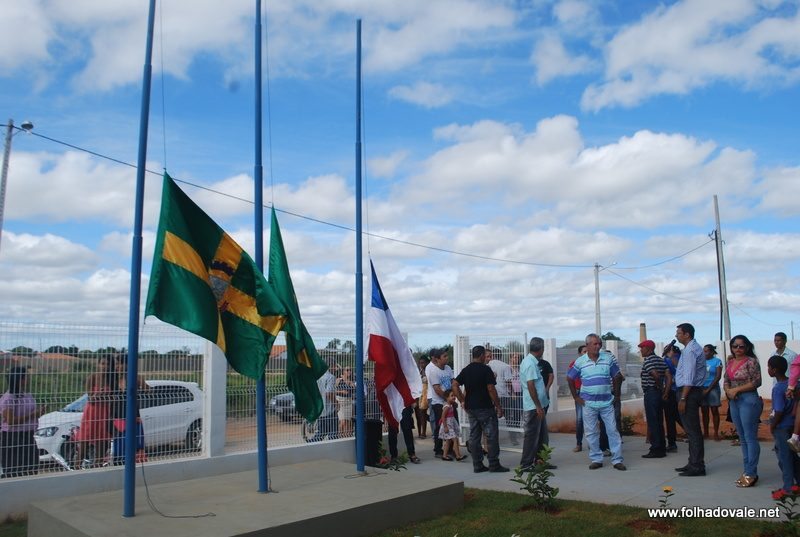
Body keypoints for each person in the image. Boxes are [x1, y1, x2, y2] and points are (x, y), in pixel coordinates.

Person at [567, 333, 626, 471]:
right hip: (588, 404)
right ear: (587, 345)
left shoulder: (607, 358)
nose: (598, 346)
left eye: (599, 343)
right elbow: (570, 378)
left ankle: (617, 460)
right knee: (591, 432)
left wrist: (617, 396)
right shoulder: (580, 361)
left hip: (607, 403)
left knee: (613, 431)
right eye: (595, 344)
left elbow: (617, 376)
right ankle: (596, 459)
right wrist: (576, 397)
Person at [451, 345, 509, 473]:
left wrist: (462, 400)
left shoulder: (466, 370)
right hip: (485, 407)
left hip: (471, 408)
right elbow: (491, 388)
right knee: (491, 436)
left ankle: (477, 464)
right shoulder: (486, 369)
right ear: (482, 355)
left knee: (474, 436)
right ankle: (494, 464)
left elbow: (454, 384)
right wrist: (498, 406)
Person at [723, 334, 763, 487]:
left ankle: (751, 473)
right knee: (742, 438)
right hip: (734, 401)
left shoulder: (752, 361)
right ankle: (747, 470)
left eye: (741, 346)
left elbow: (757, 381)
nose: (738, 349)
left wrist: (736, 390)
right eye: (735, 346)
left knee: (750, 436)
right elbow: (726, 380)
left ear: (747, 347)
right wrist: (728, 390)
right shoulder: (730, 362)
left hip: (748, 399)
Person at [674, 323, 707, 477]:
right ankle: (693, 462)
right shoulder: (691, 348)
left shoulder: (690, 350)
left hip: (689, 392)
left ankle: (697, 465)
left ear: (687, 334)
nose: (676, 336)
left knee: (693, 431)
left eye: (679, 333)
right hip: (690, 391)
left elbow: (689, 377)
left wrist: (683, 398)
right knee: (691, 430)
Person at [0, 366, 44, 478]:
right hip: (12, 437)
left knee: (31, 466)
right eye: (26, 377)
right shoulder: (8, 398)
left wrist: (39, 413)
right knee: (14, 469)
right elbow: (11, 421)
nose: (28, 379)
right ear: (20, 379)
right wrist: (33, 415)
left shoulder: (27, 395)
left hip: (28, 435)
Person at [75, 354, 115, 468]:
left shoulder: (112, 379)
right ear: (98, 364)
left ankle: (98, 468)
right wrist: (98, 395)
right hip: (91, 413)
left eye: (107, 364)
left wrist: (106, 397)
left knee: (102, 444)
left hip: (104, 414)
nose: (105, 366)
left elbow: (114, 398)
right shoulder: (92, 378)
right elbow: (90, 399)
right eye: (102, 363)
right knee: (84, 444)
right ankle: (76, 468)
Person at [768, 355, 800, 494]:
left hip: (781, 426)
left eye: (769, 367)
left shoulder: (778, 388)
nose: (768, 369)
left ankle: (788, 487)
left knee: (784, 457)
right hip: (794, 425)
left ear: (774, 370)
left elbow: (779, 410)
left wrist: (772, 425)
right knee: (793, 456)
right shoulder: (795, 384)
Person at [519, 337, 550, 471]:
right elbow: (531, 385)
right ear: (541, 349)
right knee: (531, 436)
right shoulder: (530, 363)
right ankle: (526, 464)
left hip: (538, 406)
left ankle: (540, 461)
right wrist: (538, 406)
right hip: (533, 407)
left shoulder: (532, 361)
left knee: (542, 436)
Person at [112, 354, 148, 464]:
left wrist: (140, 382)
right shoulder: (113, 379)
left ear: (127, 365)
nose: (117, 367)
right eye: (116, 364)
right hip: (119, 420)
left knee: (135, 450)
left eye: (119, 364)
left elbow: (148, 390)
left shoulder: (134, 378)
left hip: (133, 419)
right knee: (119, 451)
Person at [640, 340, 668, 458]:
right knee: (659, 421)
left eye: (642, 348)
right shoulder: (660, 360)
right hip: (658, 393)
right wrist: (664, 390)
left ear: (649, 349)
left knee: (653, 421)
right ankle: (661, 447)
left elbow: (655, 375)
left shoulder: (648, 361)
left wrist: (659, 386)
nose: (641, 350)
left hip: (651, 392)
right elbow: (668, 375)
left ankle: (656, 448)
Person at [426, 348, 453, 458]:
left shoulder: (448, 368)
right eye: (444, 356)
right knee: (440, 425)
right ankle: (438, 449)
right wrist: (447, 399)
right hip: (438, 403)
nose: (447, 358)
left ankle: (450, 449)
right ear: (437, 359)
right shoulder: (433, 371)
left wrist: (453, 397)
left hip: (449, 401)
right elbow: (437, 389)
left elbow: (452, 382)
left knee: (452, 424)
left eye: (447, 355)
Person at [309, 362, 339, 442]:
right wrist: (336, 403)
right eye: (335, 366)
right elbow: (329, 393)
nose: (336, 369)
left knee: (321, 433)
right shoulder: (331, 377)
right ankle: (333, 448)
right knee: (333, 434)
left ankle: (310, 444)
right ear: (330, 366)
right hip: (329, 410)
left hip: (320, 409)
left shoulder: (318, 377)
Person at [700, 344, 723, 441]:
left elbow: (718, 376)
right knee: (704, 411)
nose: (704, 353)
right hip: (702, 387)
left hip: (713, 388)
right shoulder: (701, 361)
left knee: (714, 410)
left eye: (706, 351)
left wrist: (708, 389)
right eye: (703, 351)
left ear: (712, 352)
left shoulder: (717, 361)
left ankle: (716, 433)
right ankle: (706, 433)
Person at [663, 344, 682, 452]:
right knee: (678, 415)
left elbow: (669, 376)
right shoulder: (682, 358)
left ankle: (672, 443)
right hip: (680, 390)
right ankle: (693, 434)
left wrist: (665, 392)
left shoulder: (667, 360)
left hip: (670, 390)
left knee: (670, 418)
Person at [439, 389, 466, 462]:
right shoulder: (447, 406)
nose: (454, 397)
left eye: (454, 395)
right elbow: (443, 417)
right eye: (452, 396)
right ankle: (458, 456)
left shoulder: (450, 405)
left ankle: (444, 455)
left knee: (448, 441)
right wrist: (445, 427)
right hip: (448, 426)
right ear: (447, 397)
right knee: (455, 439)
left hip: (451, 425)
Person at [568, 345, 586, 452]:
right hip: (580, 393)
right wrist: (575, 396)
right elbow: (570, 379)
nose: (586, 353)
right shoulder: (574, 364)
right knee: (580, 419)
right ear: (579, 354)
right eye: (584, 352)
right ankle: (579, 443)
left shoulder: (593, 363)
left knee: (595, 419)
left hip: (591, 393)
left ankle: (595, 444)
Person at [335, 366, 356, 438]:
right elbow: (333, 391)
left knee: (348, 422)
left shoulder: (351, 381)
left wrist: (351, 384)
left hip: (349, 402)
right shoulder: (338, 380)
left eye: (350, 370)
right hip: (340, 402)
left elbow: (354, 391)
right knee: (342, 421)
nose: (349, 371)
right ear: (343, 371)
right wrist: (341, 391)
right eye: (347, 370)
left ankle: (346, 437)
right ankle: (339, 437)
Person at [414, 357, 429, 439]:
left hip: (427, 393)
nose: (421, 364)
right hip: (419, 394)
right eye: (420, 363)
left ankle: (423, 432)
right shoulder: (418, 372)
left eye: (423, 363)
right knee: (418, 414)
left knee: (423, 413)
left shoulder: (429, 371)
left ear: (427, 363)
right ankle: (420, 432)